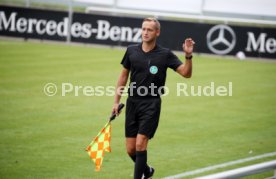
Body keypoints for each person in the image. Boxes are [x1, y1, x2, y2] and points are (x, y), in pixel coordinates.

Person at [112, 17, 195, 179]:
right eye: (143, 29)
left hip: (151, 104)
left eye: (149, 30)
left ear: (157, 32)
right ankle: (147, 171)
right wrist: (116, 102)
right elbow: (123, 77)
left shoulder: (165, 55)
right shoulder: (131, 51)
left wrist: (188, 56)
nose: (145, 32)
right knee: (130, 149)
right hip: (132, 103)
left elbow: (186, 73)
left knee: (140, 143)